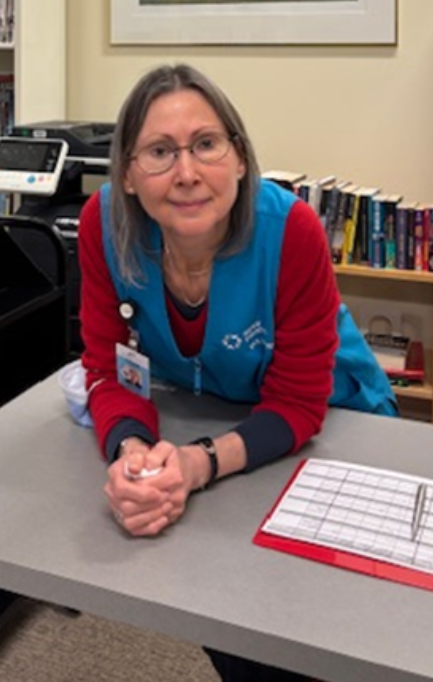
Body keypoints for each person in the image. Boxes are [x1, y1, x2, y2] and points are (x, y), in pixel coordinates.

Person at [78, 64, 395, 682]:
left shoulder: (291, 230)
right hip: (215, 415)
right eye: (160, 152)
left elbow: (301, 404)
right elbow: (106, 370)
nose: (188, 173)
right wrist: (134, 458)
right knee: (226, 611)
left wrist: (195, 464)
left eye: (206, 145)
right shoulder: (104, 226)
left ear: (241, 159)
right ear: (128, 176)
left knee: (321, 625)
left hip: (332, 427)